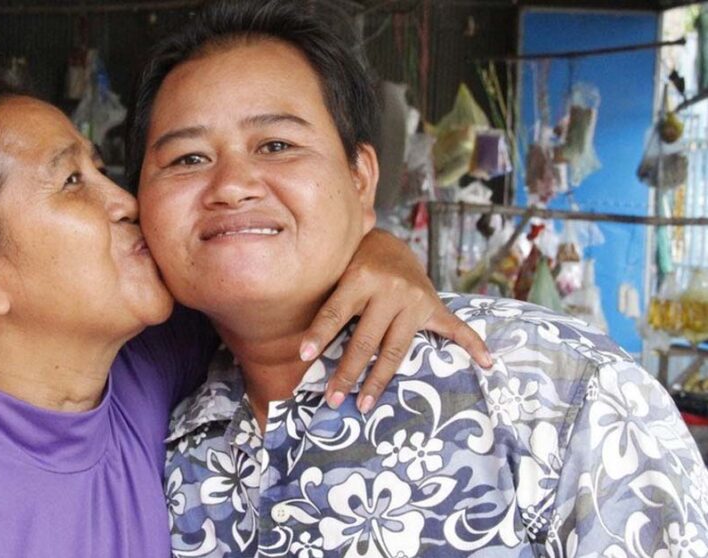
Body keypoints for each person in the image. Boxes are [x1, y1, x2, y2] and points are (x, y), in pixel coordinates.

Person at [0, 80, 486, 556]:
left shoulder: (138, 362)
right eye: (72, 182)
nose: (125, 201)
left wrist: (380, 249)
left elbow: (270, 267)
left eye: (100, 169)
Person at [130, 2, 708, 556]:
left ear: (361, 180)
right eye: (187, 159)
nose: (231, 185)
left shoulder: (552, 389)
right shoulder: (156, 442)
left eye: (277, 145)